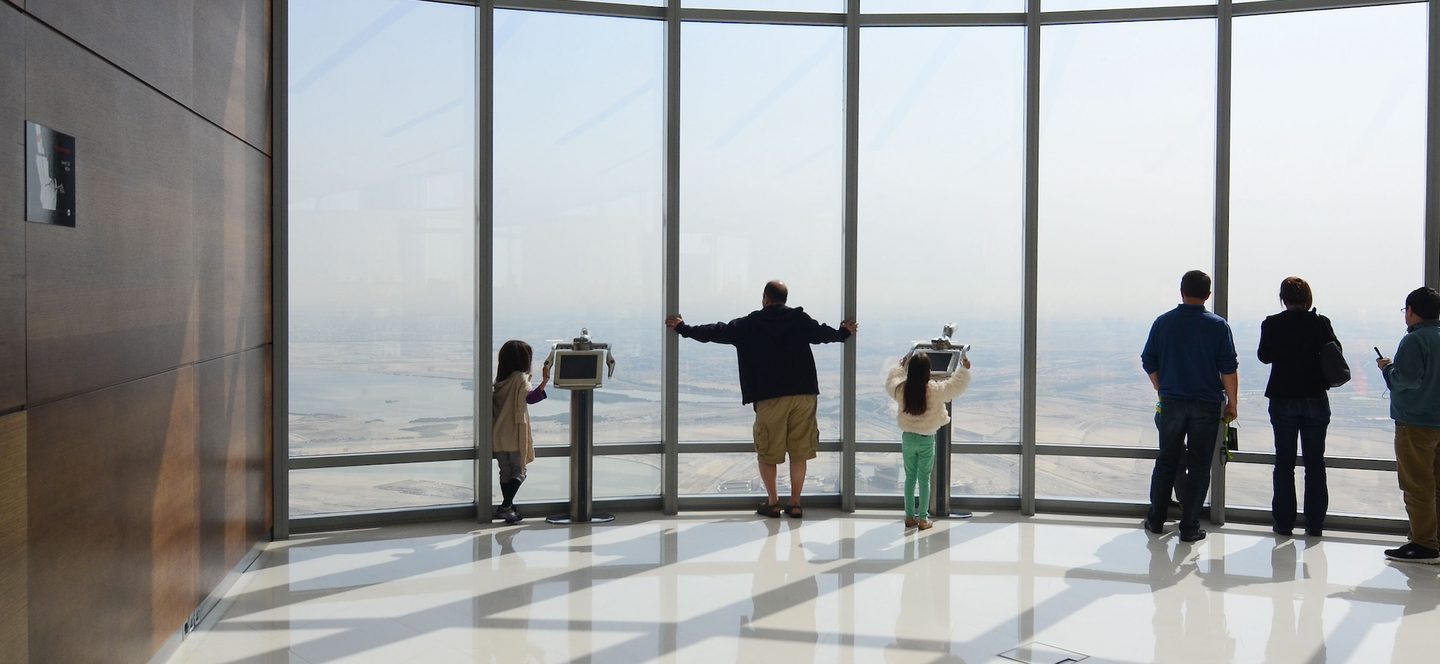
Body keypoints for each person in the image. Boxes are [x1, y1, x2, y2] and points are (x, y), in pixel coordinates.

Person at [666, 280, 856, 518]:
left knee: (768, 452)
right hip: (804, 394)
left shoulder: (750, 324)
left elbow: (716, 331)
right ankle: (795, 503)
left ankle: (774, 502)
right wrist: (844, 332)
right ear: (785, 299)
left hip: (770, 397)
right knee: (799, 452)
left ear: (765, 298)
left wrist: (683, 328)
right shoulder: (799, 319)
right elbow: (823, 334)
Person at [1140, 270, 1239, 543]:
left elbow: (1149, 360)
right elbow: (1228, 369)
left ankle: (1157, 520)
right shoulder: (1218, 326)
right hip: (1206, 405)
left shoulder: (1163, 323)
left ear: (1181, 291)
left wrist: (1162, 389)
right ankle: (1189, 526)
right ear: (1208, 295)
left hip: (1172, 402)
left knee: (1167, 461)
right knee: (1198, 466)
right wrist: (1232, 402)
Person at [1257, 277, 1339, 537]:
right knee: (1315, 463)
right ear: (1308, 297)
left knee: (1284, 463)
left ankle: (1284, 523)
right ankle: (1315, 524)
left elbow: (1264, 356)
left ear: (1283, 298)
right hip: (1315, 398)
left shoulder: (1272, 323)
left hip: (1283, 398)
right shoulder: (1320, 322)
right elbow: (1334, 353)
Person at [1376, 286, 1440, 563]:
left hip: (1416, 423)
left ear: (1411, 311)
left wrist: (1388, 369)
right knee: (1436, 482)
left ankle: (1424, 543)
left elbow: (1406, 380)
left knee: (1416, 483)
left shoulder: (1414, 340)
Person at [885, 351, 972, 530]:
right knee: (924, 480)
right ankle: (923, 519)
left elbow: (890, 383)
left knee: (909, 478)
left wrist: (899, 368)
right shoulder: (934, 390)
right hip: (926, 439)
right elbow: (954, 386)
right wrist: (964, 369)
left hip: (908, 438)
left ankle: (909, 517)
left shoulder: (902, 389)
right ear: (928, 371)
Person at [491, 339, 549, 524]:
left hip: (498, 433)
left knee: (505, 471)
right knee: (519, 471)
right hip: (515, 432)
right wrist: (545, 380)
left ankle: (508, 506)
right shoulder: (519, 378)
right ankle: (506, 506)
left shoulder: (500, 380)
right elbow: (530, 398)